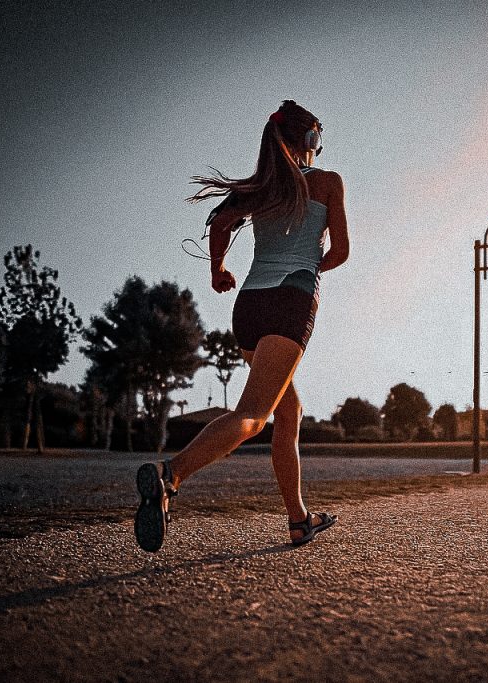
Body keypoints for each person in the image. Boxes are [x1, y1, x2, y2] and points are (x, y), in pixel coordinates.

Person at [134, 100, 350, 552]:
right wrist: (307, 269)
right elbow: (340, 252)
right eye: (317, 141)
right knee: (252, 415)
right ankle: (169, 476)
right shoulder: (328, 183)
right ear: (309, 141)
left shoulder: (257, 188)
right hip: (291, 301)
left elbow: (219, 223)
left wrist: (218, 271)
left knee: (288, 410)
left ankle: (299, 520)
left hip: (248, 307)